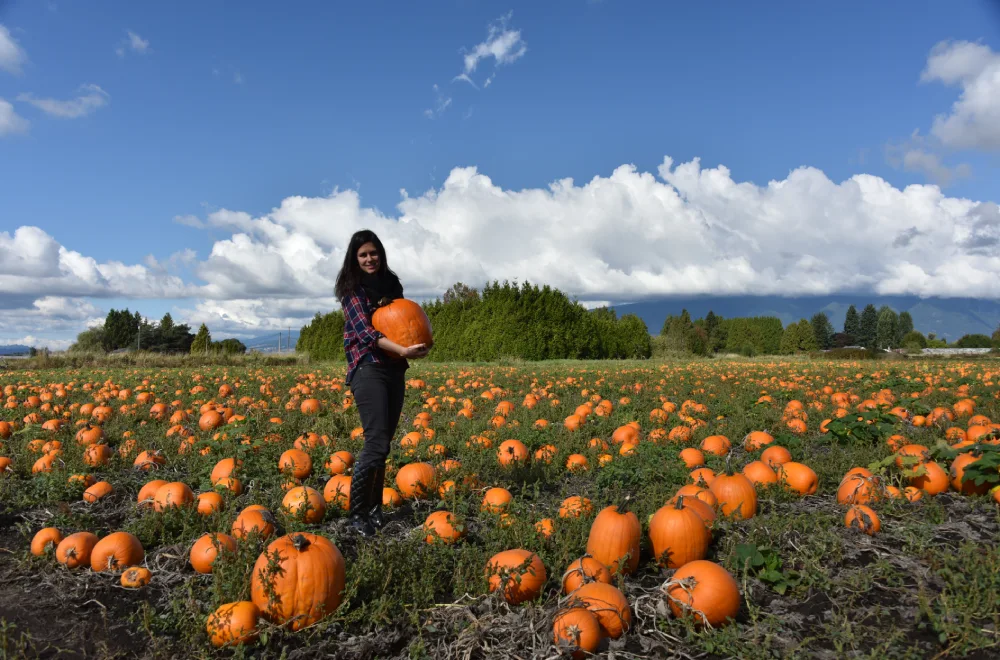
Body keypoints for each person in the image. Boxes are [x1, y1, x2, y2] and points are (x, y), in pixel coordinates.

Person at [335, 229, 430, 537]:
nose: (369, 259)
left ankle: (375, 508)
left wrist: (415, 346)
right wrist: (402, 349)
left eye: (373, 253)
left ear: (381, 253)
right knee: (375, 442)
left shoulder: (392, 284)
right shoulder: (352, 290)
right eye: (363, 255)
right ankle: (357, 514)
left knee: (384, 443)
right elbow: (366, 333)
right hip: (367, 367)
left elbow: (405, 322)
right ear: (354, 258)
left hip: (394, 368)